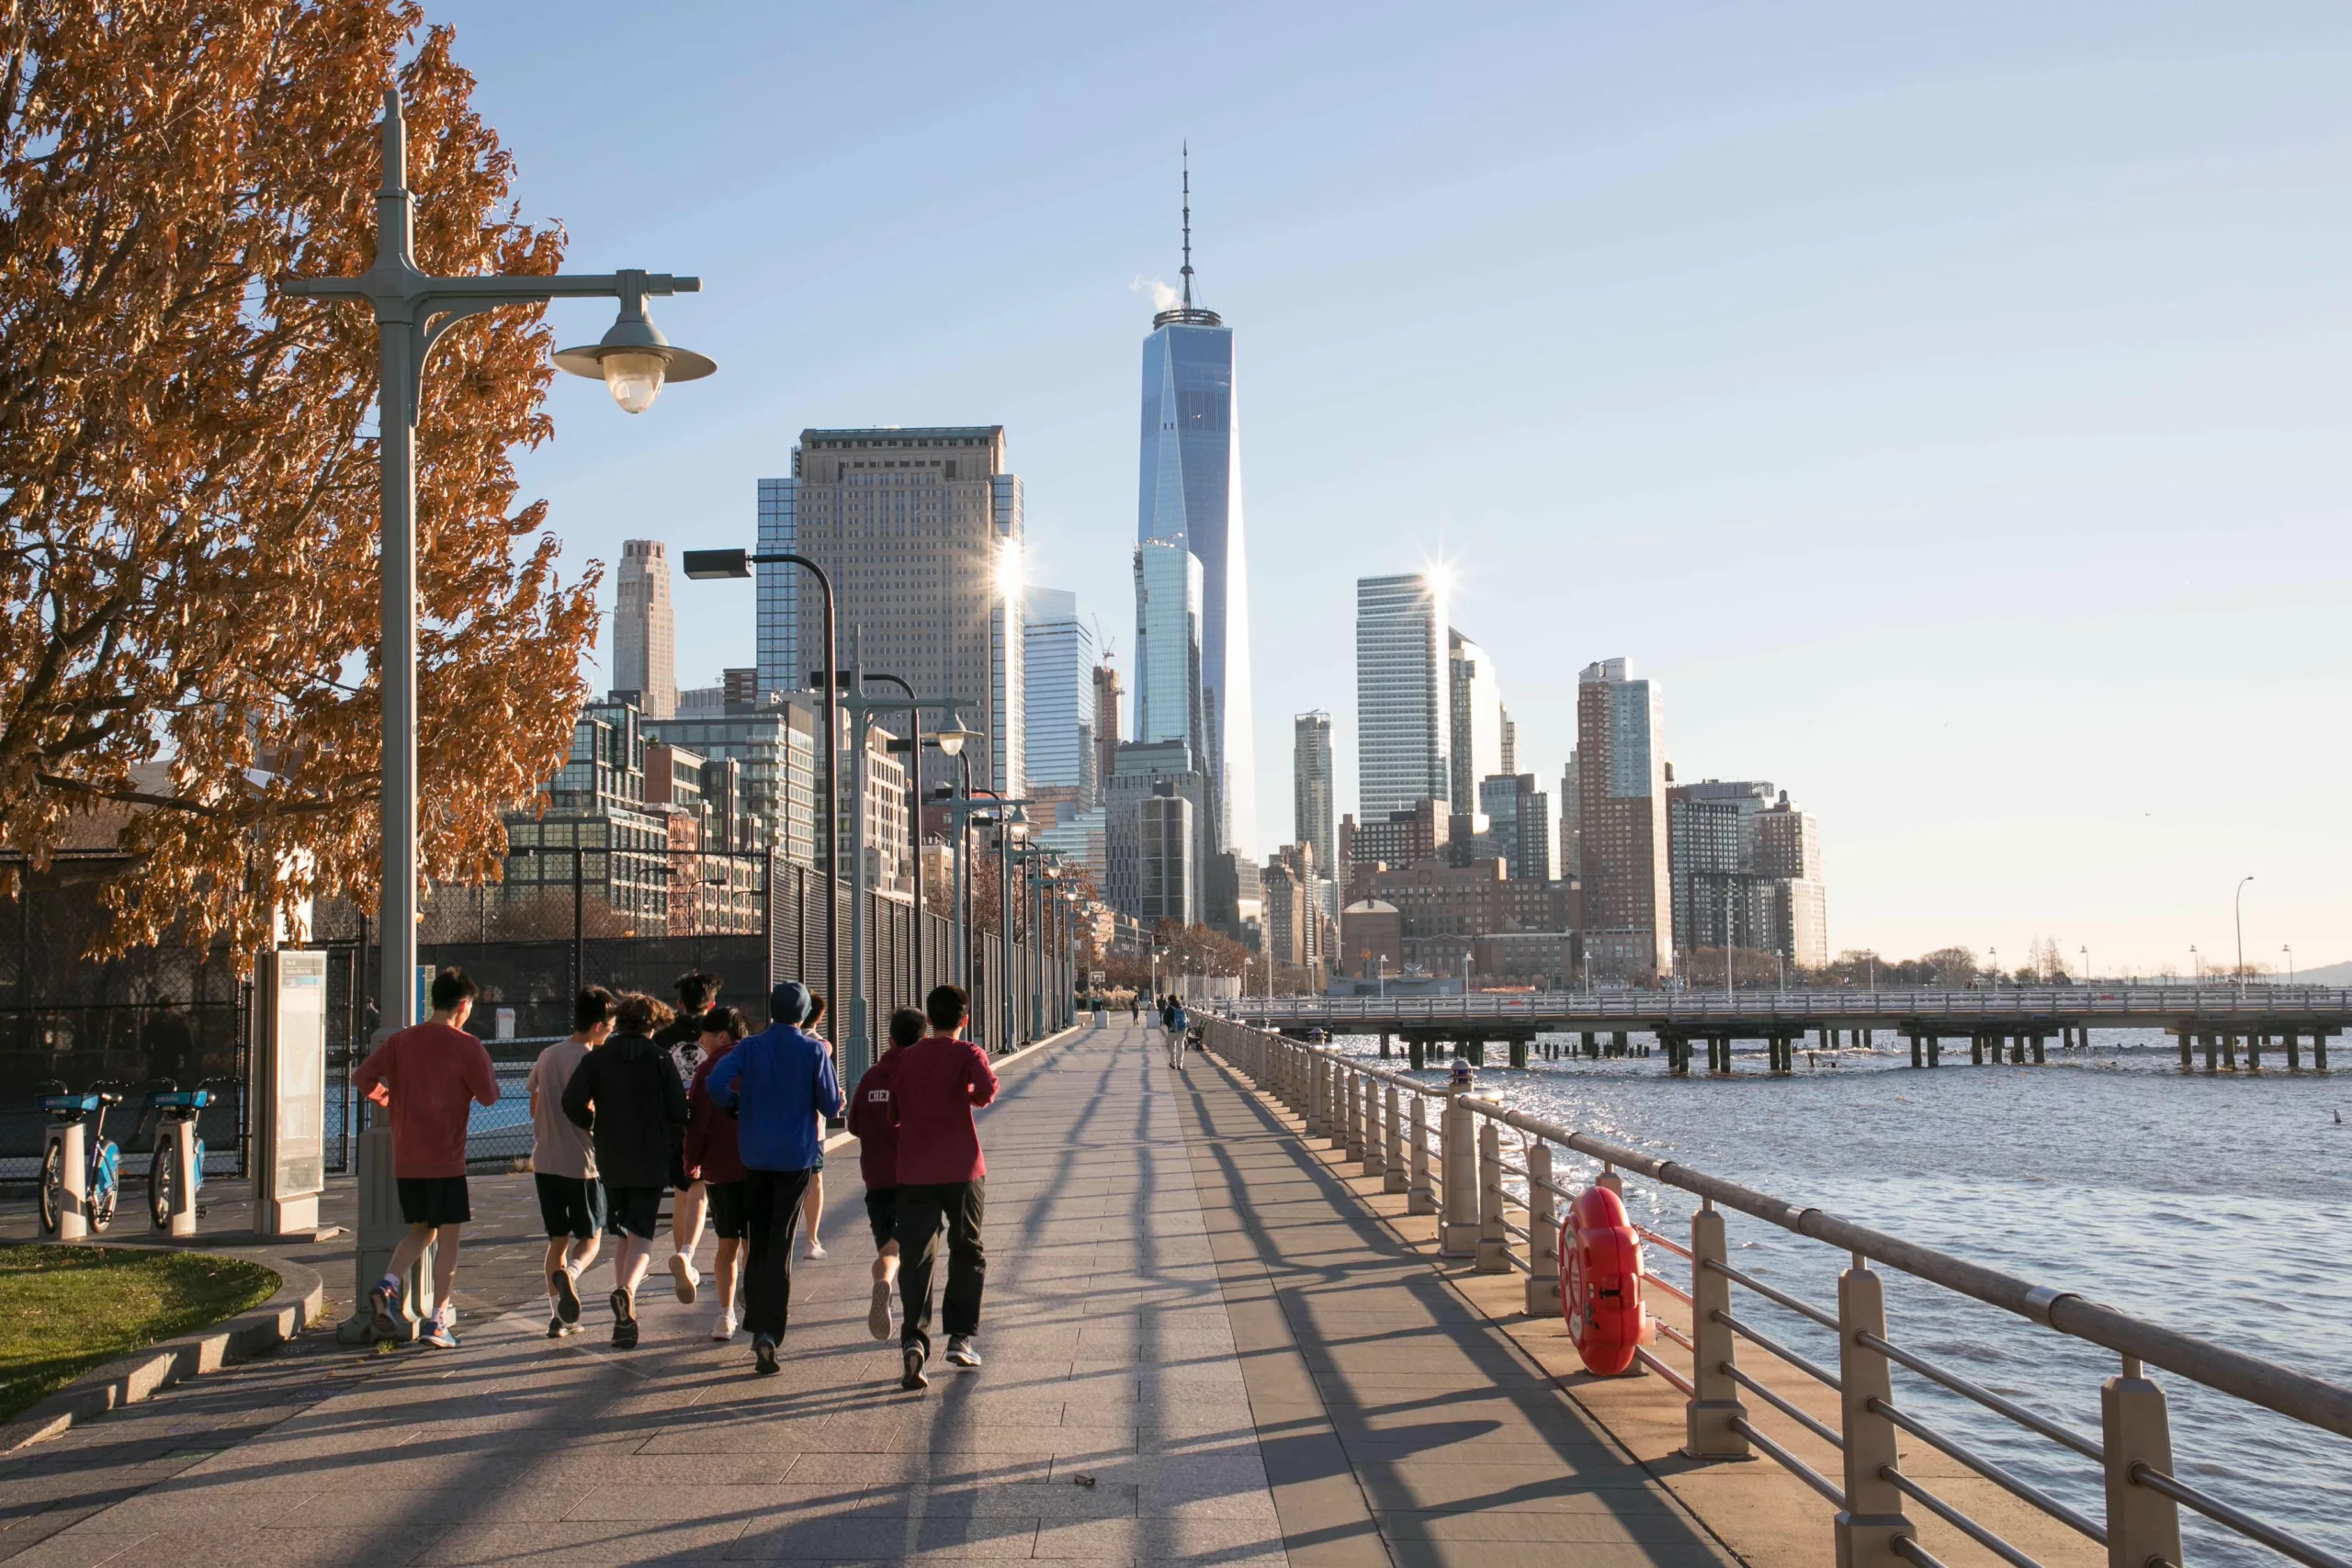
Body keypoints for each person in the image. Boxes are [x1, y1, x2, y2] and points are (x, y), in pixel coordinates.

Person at [353, 967, 498, 1349]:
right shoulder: (468, 1045)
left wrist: (387, 1097)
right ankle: (437, 1321)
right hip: (445, 1157)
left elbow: (362, 1078)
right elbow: (489, 1096)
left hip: (407, 1156)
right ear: (463, 1005)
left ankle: (388, 1284)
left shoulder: (401, 1042)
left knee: (421, 1228)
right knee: (448, 1238)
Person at [707, 981, 842, 1376]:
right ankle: (768, 1331)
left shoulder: (750, 1047)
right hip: (795, 1157)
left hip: (754, 1154)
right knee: (780, 1241)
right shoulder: (814, 1049)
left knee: (757, 1235)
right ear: (803, 1015)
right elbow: (830, 1103)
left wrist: (734, 1105)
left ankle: (755, 1319)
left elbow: (717, 1083)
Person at [562, 992, 688, 1348]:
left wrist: (593, 1123)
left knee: (621, 1232)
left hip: (611, 1154)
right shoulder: (661, 1059)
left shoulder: (598, 1059)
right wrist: (668, 1133)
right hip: (649, 1154)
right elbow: (679, 1112)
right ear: (652, 1025)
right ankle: (627, 1291)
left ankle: (625, 1321)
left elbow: (571, 1102)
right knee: (643, 1233)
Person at [890, 983, 999, 1391]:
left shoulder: (907, 1058)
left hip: (915, 1170)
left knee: (916, 1257)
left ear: (929, 1020)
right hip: (962, 1168)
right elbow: (986, 1092)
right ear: (964, 1020)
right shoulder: (968, 1053)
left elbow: (894, 1115)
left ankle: (914, 1344)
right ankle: (959, 1337)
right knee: (966, 1248)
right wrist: (966, 1096)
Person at [526, 987, 613, 1338]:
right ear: (596, 1026)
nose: (611, 1032)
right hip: (582, 1162)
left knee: (556, 1241)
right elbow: (595, 1110)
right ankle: (572, 1275)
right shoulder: (593, 1061)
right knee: (591, 1238)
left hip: (545, 1160)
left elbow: (534, 1104)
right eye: (609, 1026)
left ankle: (559, 1318)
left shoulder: (547, 1055)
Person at [848, 1008, 924, 1343]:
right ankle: (907, 1309)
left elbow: (853, 1125)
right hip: (913, 1177)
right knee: (910, 1250)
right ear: (923, 1039)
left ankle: (884, 1283)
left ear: (889, 1038)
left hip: (876, 1179)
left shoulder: (870, 1078)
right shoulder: (920, 1074)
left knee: (888, 1248)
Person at [683, 1005, 752, 1340]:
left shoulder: (709, 1068)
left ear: (721, 1035)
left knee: (726, 1243)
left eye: (706, 1034)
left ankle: (725, 1315)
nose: (701, 1039)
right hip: (758, 1163)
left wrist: (691, 1160)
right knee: (753, 1241)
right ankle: (751, 1296)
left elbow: (697, 1123)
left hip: (720, 1168)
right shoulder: (757, 1061)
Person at [657, 972, 720, 1303]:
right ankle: (687, 1253)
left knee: (681, 1193)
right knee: (699, 1192)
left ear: (678, 1004)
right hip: (708, 1122)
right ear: (711, 1003)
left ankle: (684, 1260)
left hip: (673, 1125)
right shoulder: (716, 1037)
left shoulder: (663, 1039)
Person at [798, 992, 832, 1260]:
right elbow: (827, 1094)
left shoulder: (761, 1043)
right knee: (814, 1179)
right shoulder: (819, 1045)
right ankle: (811, 1238)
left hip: (773, 1126)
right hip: (811, 1127)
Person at [1165, 995, 1190, 1069]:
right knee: (1180, 1047)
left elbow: (1165, 1019)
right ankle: (1180, 1064)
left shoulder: (1169, 1008)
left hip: (1172, 1031)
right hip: (1181, 1030)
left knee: (1172, 1047)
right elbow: (1187, 1018)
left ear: (1170, 1000)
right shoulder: (1182, 1007)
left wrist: (1170, 1026)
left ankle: (1173, 1063)